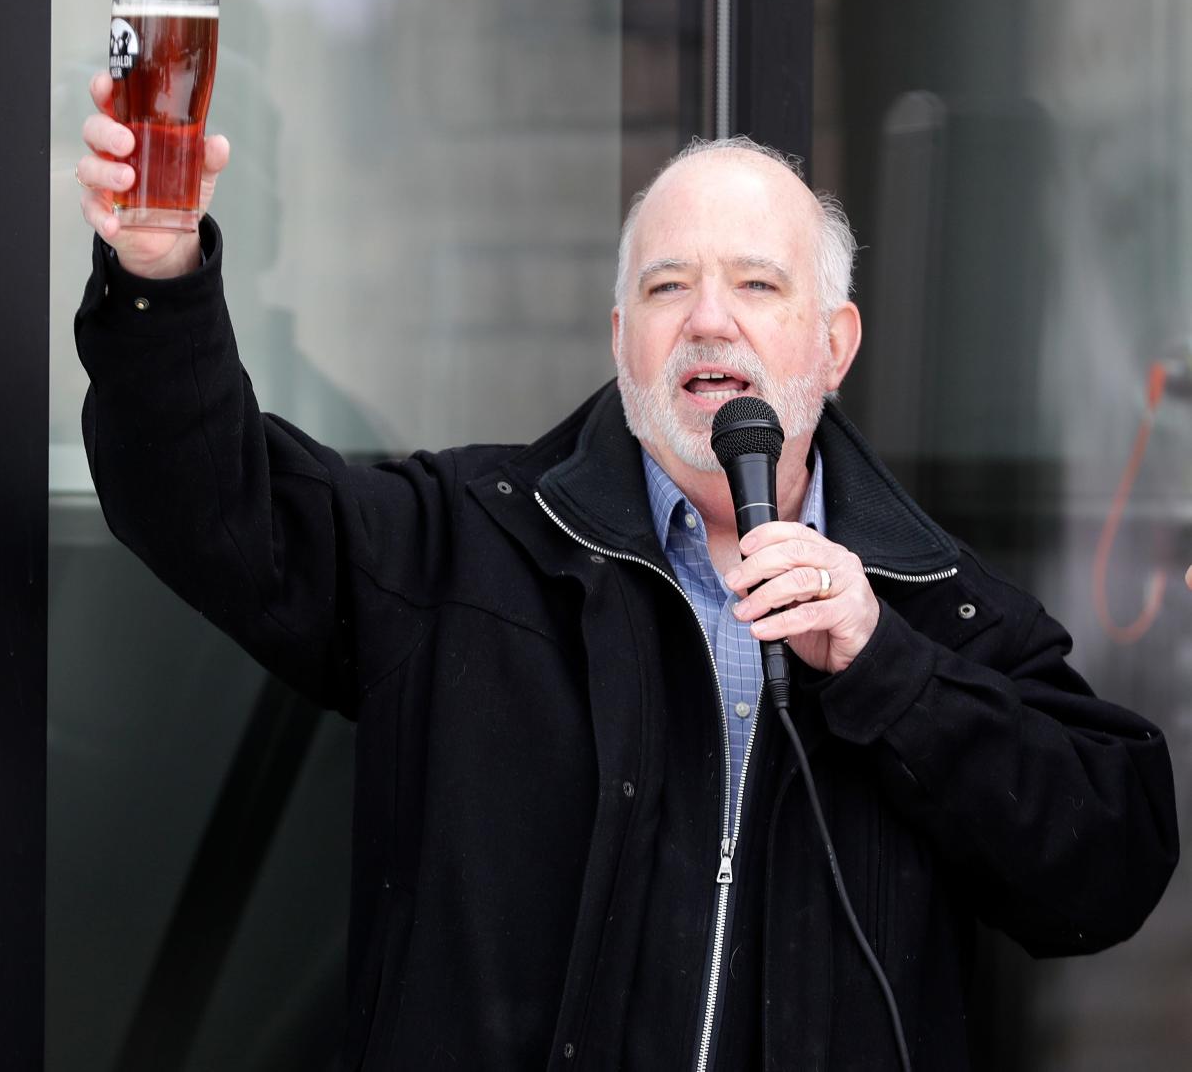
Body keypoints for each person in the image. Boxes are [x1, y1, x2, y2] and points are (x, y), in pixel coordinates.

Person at [75, 71, 1178, 1071]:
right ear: (619, 337)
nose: (709, 320)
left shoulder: (937, 606)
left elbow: (1108, 864)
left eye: (756, 284)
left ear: (834, 344)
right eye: (666, 288)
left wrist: (884, 665)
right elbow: (208, 507)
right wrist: (158, 277)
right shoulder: (467, 545)